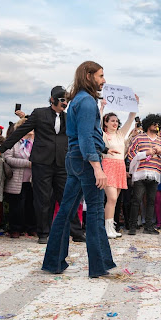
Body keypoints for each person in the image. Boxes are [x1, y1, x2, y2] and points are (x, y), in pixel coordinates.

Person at [42, 60, 116, 278]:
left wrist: (102, 148)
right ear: (88, 76)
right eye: (101, 76)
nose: (104, 80)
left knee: (66, 210)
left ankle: (53, 262)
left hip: (75, 158)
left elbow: (84, 136)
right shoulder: (86, 102)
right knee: (94, 211)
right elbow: (84, 137)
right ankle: (99, 265)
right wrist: (97, 167)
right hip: (85, 160)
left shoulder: (79, 100)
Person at [0, 86, 85, 244]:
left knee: (67, 198)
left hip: (61, 164)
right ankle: (44, 233)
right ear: (53, 100)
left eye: (67, 100)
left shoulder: (69, 117)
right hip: (41, 163)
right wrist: (1, 149)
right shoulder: (39, 113)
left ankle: (77, 233)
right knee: (42, 199)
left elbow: (83, 134)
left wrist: (103, 148)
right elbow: (19, 132)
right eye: (63, 100)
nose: (65, 103)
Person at [101, 101, 138, 239]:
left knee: (115, 199)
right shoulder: (103, 135)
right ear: (106, 123)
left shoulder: (121, 135)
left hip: (120, 167)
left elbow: (130, 118)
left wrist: (134, 105)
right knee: (111, 198)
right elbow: (97, 124)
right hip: (108, 166)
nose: (115, 123)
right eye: (112, 121)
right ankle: (107, 228)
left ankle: (111, 227)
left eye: (116, 121)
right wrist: (102, 108)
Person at [127, 113, 161, 235]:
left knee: (151, 201)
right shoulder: (138, 138)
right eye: (154, 124)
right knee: (137, 200)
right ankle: (132, 226)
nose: (156, 126)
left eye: (158, 125)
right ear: (148, 124)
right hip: (140, 173)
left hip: (155, 173)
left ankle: (148, 227)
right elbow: (130, 154)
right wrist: (145, 153)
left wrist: (160, 153)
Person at [3, 118, 36, 238]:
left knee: (31, 205)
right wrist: (28, 163)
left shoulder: (37, 143)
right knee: (16, 206)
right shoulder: (13, 142)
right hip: (16, 179)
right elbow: (8, 159)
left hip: (33, 180)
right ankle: (15, 229)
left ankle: (31, 228)